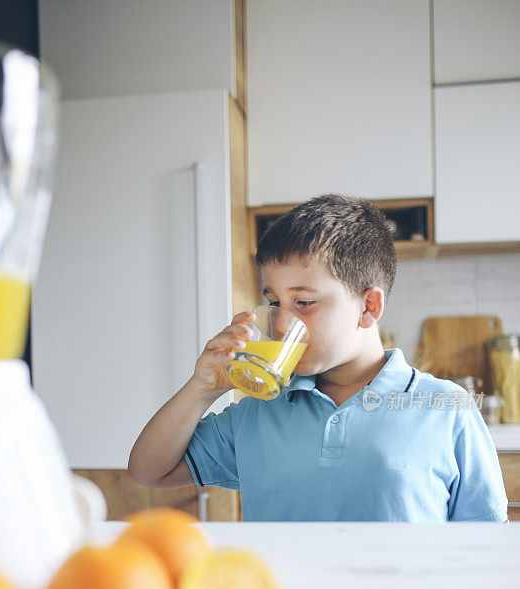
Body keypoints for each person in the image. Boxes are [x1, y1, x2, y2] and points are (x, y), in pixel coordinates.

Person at [128, 194, 508, 522]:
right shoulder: (259, 412)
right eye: (274, 302)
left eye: (304, 302)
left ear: (368, 306)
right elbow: (149, 472)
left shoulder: (448, 409)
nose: (280, 321)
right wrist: (201, 390)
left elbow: (486, 545)